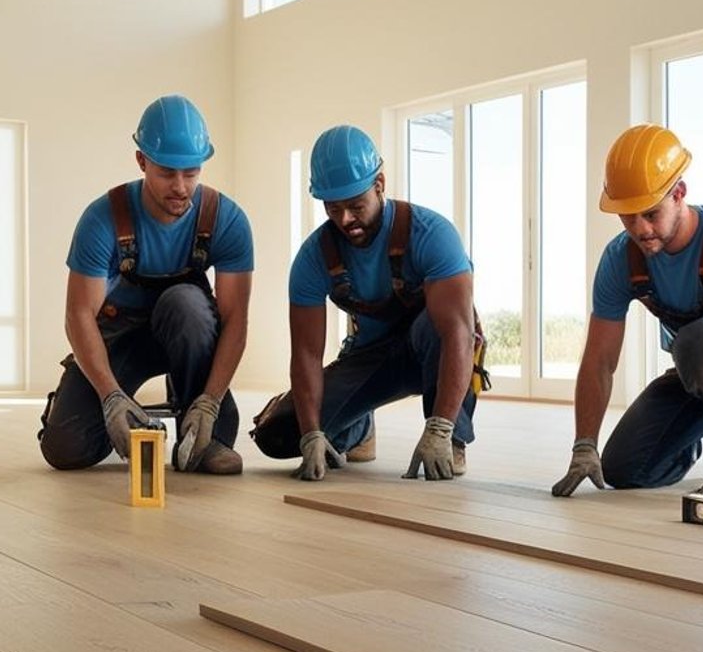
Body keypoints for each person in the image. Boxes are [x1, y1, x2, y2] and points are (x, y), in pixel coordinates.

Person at [551, 124, 703, 501]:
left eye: (650, 213)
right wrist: (584, 444)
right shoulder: (620, 259)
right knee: (624, 469)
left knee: (698, 339)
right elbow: (599, 360)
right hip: (696, 368)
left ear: (679, 193)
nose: (640, 229)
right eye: (627, 217)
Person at [250, 125, 478, 481]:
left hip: (434, 348)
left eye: (356, 205)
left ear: (380, 184)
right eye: (333, 207)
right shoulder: (313, 258)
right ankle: (358, 429)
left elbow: (459, 334)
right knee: (279, 434)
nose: (345, 219)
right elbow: (307, 354)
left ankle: (452, 438)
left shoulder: (433, 234)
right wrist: (311, 432)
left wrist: (441, 427)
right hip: (372, 358)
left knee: (439, 326)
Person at [40, 94, 252, 474]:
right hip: (122, 338)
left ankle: (207, 430)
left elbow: (235, 320)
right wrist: (109, 397)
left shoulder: (226, 219)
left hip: (190, 334)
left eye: (191, 172)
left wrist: (211, 401)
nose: (181, 187)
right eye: (167, 173)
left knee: (187, 304)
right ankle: (114, 420)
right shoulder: (103, 218)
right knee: (65, 450)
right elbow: (78, 316)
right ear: (142, 161)